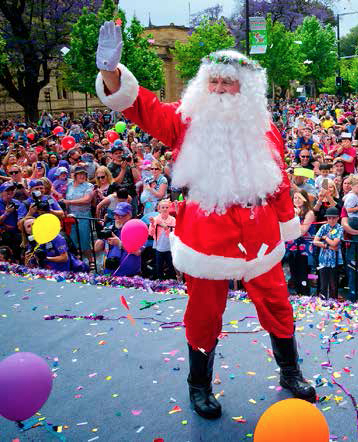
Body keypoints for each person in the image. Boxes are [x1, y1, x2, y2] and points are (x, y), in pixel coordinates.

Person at [96, 21, 316, 422]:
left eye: (227, 83)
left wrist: (288, 224)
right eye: (212, 81)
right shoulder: (185, 120)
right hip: (206, 236)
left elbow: (281, 182)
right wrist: (112, 71)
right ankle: (199, 387)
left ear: (244, 90)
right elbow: (145, 109)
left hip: (260, 233)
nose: (217, 89)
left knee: (278, 305)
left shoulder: (265, 129)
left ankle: (291, 372)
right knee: (203, 314)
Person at [62, 166, 95, 264]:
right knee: (72, 240)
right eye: (80, 174)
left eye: (84, 174)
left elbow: (87, 200)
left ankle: (91, 261)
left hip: (83, 216)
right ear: (75, 175)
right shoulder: (69, 185)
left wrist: (69, 202)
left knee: (85, 240)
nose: (82, 176)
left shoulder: (89, 186)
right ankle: (76, 262)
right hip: (70, 216)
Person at [312, 206, 343, 300]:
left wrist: (325, 238)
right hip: (323, 259)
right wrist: (327, 246)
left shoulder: (340, 228)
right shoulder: (323, 227)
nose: (331, 220)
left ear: (338, 218)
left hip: (336, 259)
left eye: (334, 218)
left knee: (334, 284)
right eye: (329, 218)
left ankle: (333, 302)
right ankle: (323, 302)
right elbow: (315, 241)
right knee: (323, 284)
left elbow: (335, 243)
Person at [148, 199, 177, 280]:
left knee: (171, 265)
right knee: (159, 265)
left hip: (169, 247)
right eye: (163, 207)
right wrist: (153, 224)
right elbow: (150, 233)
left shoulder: (173, 220)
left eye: (167, 207)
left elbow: (175, 234)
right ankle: (160, 280)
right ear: (159, 209)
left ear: (170, 209)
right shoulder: (156, 219)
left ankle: (172, 280)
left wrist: (166, 228)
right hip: (159, 247)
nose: (164, 209)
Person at [0, 182, 27, 261]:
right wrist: (6, 213)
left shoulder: (18, 203)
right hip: (2, 234)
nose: (10, 192)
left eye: (12, 190)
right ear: (1, 192)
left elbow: (22, 220)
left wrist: (19, 220)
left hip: (15, 233)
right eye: (7, 190)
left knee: (19, 238)